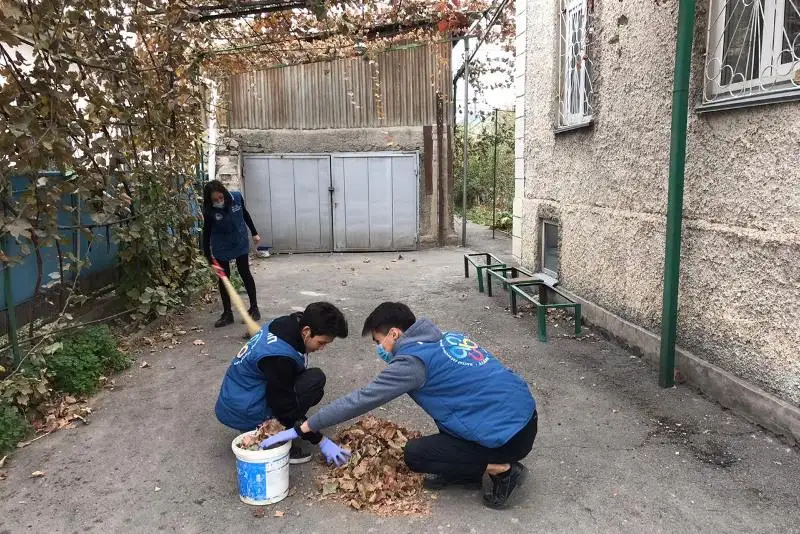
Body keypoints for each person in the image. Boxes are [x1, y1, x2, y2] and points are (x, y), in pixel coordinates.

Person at [260, 302, 538, 509]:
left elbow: (360, 400)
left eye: (378, 341)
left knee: (417, 456)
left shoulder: (412, 364)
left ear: (394, 334)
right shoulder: (446, 337)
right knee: (445, 413)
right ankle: (465, 472)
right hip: (522, 415)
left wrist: (306, 427)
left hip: (510, 436)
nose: (379, 349)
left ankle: (504, 470)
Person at [215, 302, 351, 464]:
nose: (322, 348)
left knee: (313, 385)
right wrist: (319, 439)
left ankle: (274, 426)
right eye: (321, 342)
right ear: (306, 331)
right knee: (312, 382)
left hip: (237, 396)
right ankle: (274, 440)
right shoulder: (280, 358)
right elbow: (284, 406)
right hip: (243, 410)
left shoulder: (286, 324)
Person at [202, 180, 261, 328]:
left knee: (244, 272)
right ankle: (227, 313)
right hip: (221, 245)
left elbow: (245, 214)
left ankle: (254, 309)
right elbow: (206, 231)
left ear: (224, 193)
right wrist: (208, 255)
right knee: (224, 278)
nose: (219, 201)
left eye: (220, 197)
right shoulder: (209, 210)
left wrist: (254, 233)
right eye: (215, 200)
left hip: (239, 240)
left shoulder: (236, 197)